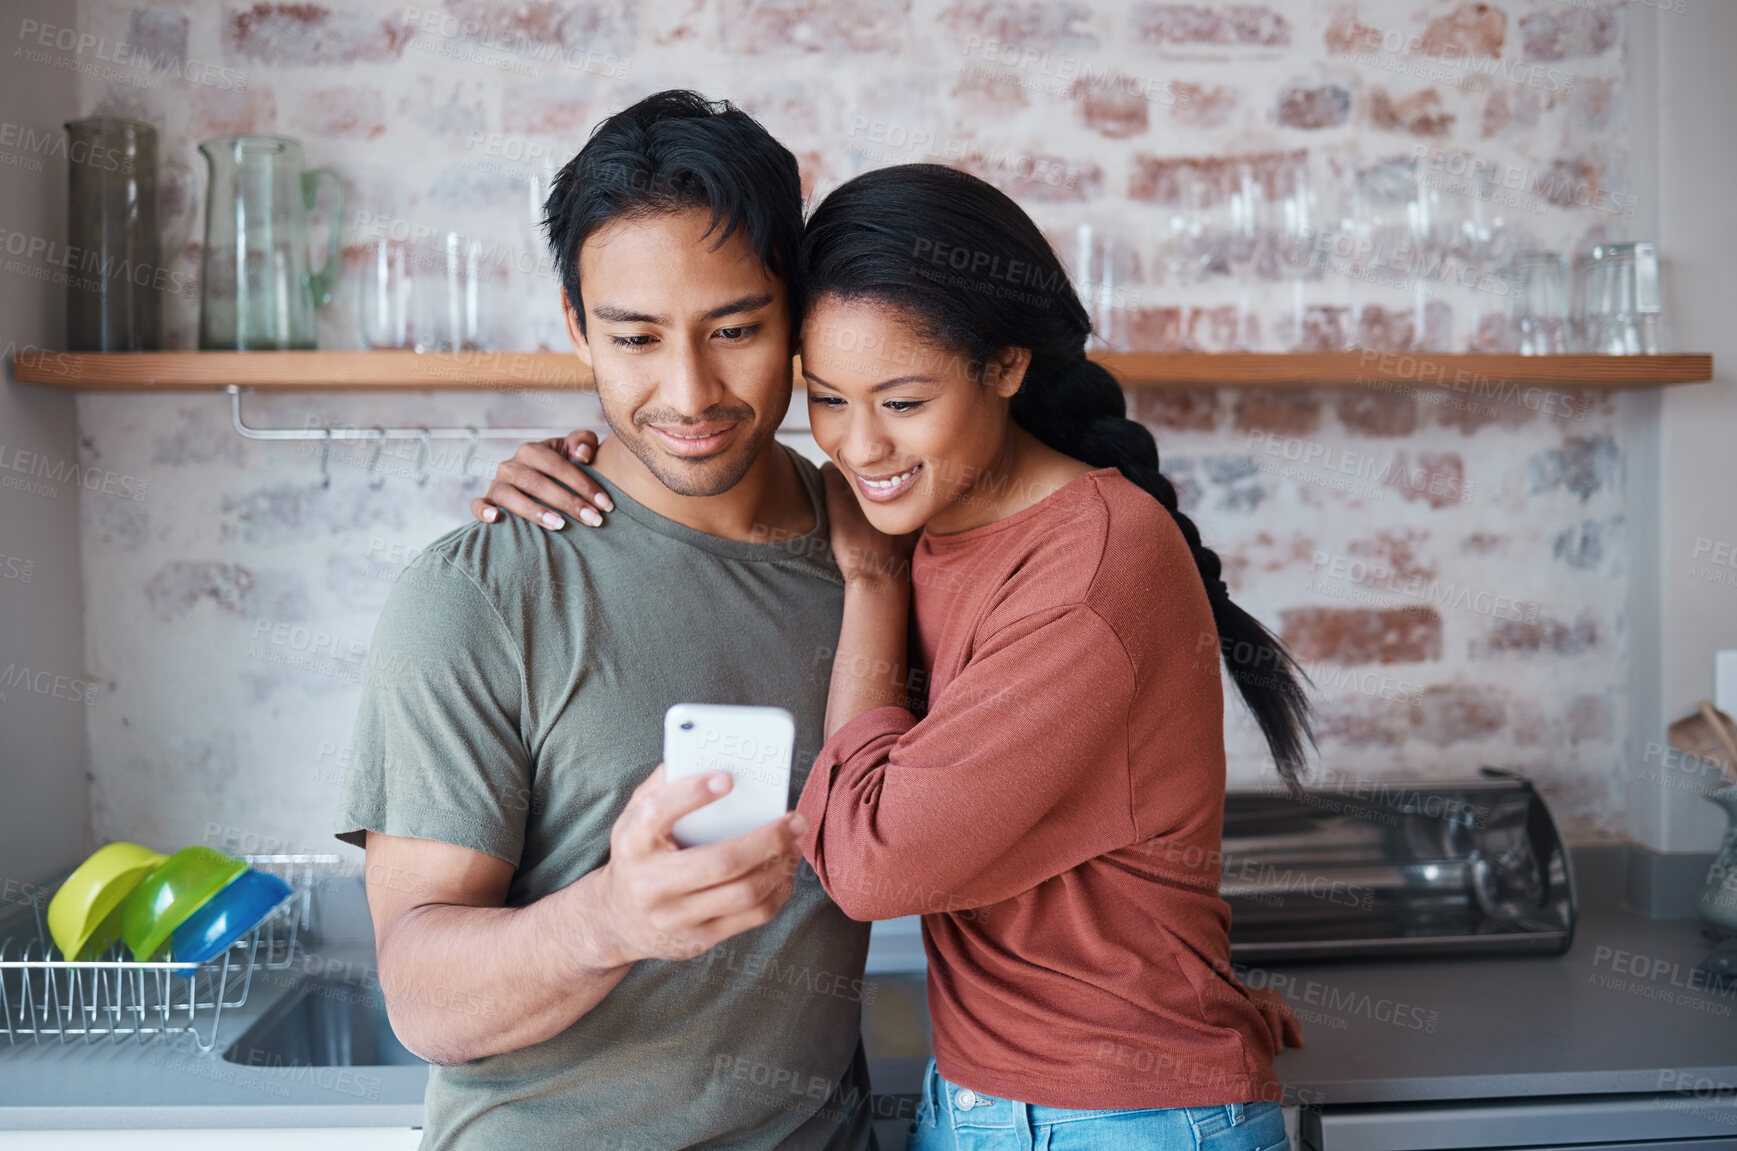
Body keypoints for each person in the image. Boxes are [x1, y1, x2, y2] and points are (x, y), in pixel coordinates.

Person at [487, 163, 1311, 1150]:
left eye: (904, 400)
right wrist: (574, 473)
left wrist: (874, 582)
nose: (861, 446)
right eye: (828, 399)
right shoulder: (937, 514)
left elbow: (871, 865)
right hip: (993, 1097)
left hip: (1125, 1117)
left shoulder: (1094, 566)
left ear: (1005, 365)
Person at [335, 91, 876, 1150]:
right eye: (635, 336)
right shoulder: (479, 590)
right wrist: (613, 918)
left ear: (800, 311)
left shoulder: (880, 555)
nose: (690, 390)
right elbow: (421, 993)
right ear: (577, 325)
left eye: (737, 329)